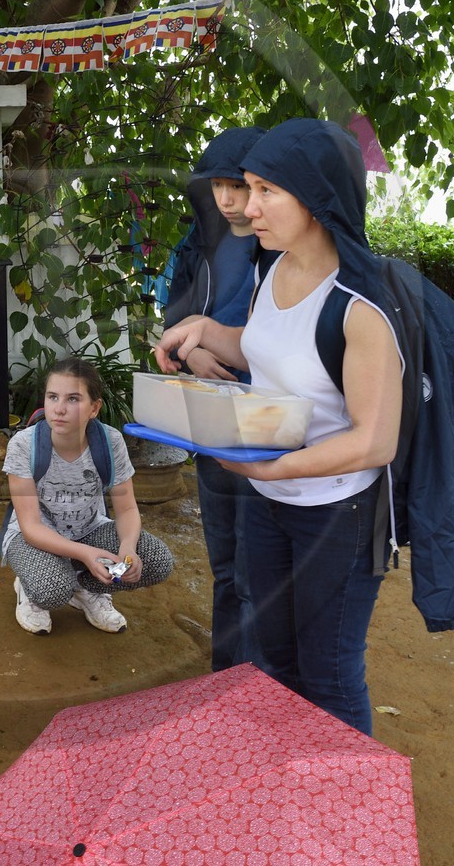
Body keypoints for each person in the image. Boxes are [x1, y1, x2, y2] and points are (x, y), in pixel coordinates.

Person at [153, 119, 403, 736]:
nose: (248, 206)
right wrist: (206, 332)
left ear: (316, 197)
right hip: (269, 503)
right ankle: (285, 780)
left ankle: (342, 795)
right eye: (250, 187)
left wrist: (275, 467)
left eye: (267, 191)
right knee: (275, 663)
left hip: (335, 514)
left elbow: (375, 440)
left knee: (329, 673)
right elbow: (263, 349)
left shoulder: (361, 304)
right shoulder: (274, 270)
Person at [160, 126, 267, 670]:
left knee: (256, 571)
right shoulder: (200, 242)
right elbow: (173, 320)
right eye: (217, 186)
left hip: (268, 426)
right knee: (225, 565)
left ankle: (259, 689)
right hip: (210, 416)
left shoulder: (285, 250)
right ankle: (225, 681)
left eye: (238, 186)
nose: (226, 199)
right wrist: (193, 355)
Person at [0, 358, 175, 635]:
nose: (59, 409)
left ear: (94, 408)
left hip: (89, 530)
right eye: (52, 397)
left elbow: (127, 509)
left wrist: (128, 547)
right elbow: (30, 526)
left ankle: (85, 588)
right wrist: (86, 554)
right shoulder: (24, 445)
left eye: (73, 399)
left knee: (155, 560)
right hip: (34, 538)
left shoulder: (110, 442)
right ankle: (30, 587)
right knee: (51, 589)